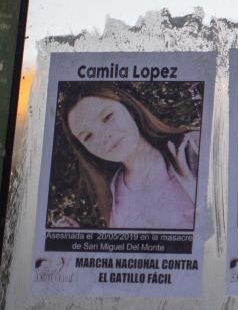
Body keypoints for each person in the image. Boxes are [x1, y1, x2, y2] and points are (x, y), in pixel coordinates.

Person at [53, 83, 200, 230]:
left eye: (107, 117)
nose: (104, 136)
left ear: (128, 107)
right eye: (88, 136)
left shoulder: (192, 149)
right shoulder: (113, 193)